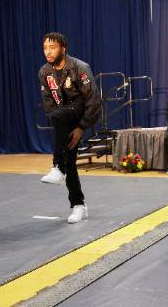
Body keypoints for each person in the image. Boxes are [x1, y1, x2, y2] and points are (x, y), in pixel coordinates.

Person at [38, 32, 101, 223]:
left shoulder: (80, 67)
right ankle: (79, 205)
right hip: (62, 117)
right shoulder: (44, 72)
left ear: (63, 48)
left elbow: (93, 100)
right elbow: (49, 103)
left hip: (79, 111)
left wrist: (81, 127)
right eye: (45, 48)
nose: (48, 52)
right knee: (70, 161)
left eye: (53, 47)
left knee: (64, 162)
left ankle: (57, 167)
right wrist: (62, 128)